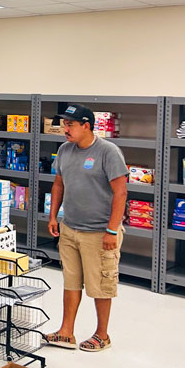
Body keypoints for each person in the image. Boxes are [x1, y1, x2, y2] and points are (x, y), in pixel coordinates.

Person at [44, 104, 128, 353]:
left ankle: (102, 335)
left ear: (86, 126)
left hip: (100, 233)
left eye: (70, 125)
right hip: (70, 228)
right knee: (71, 282)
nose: (65, 129)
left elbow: (120, 192)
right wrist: (53, 217)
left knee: (100, 284)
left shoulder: (108, 152)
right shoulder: (64, 150)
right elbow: (58, 185)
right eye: (64, 124)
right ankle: (65, 332)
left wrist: (112, 231)